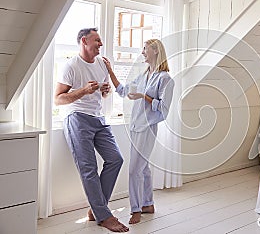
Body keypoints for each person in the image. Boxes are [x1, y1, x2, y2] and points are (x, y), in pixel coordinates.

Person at [54, 28, 129, 233]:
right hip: (77, 118)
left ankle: (97, 209)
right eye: (97, 40)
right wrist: (83, 91)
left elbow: (103, 96)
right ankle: (104, 216)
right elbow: (58, 98)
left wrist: (105, 91)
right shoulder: (71, 66)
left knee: (116, 159)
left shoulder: (102, 64)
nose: (101, 44)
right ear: (84, 41)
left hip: (98, 118)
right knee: (88, 169)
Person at [103, 38, 174, 224]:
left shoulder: (165, 78)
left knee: (135, 169)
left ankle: (136, 209)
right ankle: (148, 203)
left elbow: (164, 109)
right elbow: (123, 90)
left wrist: (144, 96)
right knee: (143, 168)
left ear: (155, 51)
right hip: (135, 126)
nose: (142, 52)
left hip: (147, 128)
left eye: (145, 49)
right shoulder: (143, 75)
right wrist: (110, 71)